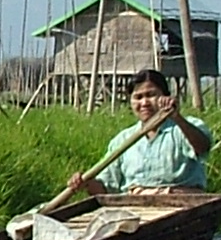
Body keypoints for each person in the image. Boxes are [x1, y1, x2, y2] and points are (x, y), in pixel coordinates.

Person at [66, 67, 212, 194]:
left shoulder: (184, 127)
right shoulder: (123, 140)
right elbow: (106, 187)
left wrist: (177, 117)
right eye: (138, 97)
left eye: (151, 95)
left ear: (165, 96)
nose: (144, 103)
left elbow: (202, 148)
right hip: (135, 206)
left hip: (180, 204)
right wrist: (85, 183)